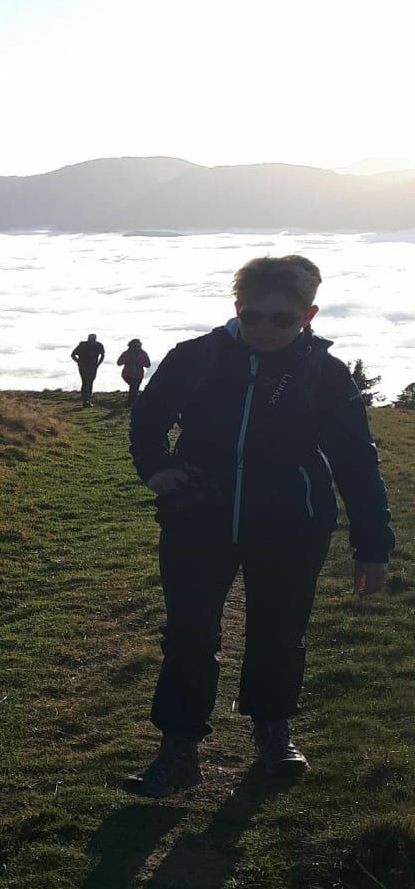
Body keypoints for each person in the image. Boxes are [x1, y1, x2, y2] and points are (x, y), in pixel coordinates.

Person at [123, 253, 392, 797]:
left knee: (280, 634)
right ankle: (178, 749)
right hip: (197, 519)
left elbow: (356, 460)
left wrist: (372, 545)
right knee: (188, 634)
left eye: (283, 318)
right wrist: (155, 468)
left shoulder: (324, 373)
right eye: (252, 316)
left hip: (294, 525)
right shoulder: (194, 357)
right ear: (236, 307)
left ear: (308, 315)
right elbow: (147, 419)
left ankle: (273, 733)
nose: (265, 328)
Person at [71, 333, 105, 407]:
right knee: (86, 382)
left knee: (90, 382)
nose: (91, 341)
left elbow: (102, 355)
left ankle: (87, 400)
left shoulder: (98, 345)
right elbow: (73, 354)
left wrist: (98, 364)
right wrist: (79, 362)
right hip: (83, 367)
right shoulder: (82, 345)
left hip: (93, 366)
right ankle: (85, 401)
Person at [116, 338, 151, 402]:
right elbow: (119, 363)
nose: (136, 348)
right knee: (133, 386)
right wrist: (128, 360)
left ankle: (132, 402)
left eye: (138, 346)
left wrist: (139, 362)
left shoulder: (143, 354)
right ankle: (131, 402)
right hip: (127, 374)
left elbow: (148, 364)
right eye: (134, 346)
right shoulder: (126, 353)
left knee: (135, 388)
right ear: (130, 346)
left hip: (139, 375)